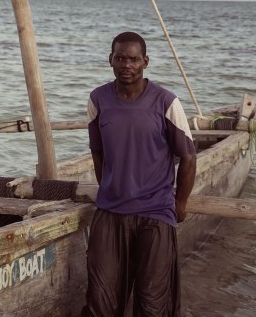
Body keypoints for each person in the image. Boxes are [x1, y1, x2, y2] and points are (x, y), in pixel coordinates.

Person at [82, 31, 197, 317]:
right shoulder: (98, 99)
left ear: (146, 62)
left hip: (155, 212)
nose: (127, 65)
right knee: (100, 299)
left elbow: (188, 156)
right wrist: (109, 188)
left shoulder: (166, 102)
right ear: (110, 60)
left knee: (152, 303)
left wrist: (180, 204)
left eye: (133, 59)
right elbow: (97, 152)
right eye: (120, 58)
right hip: (110, 211)